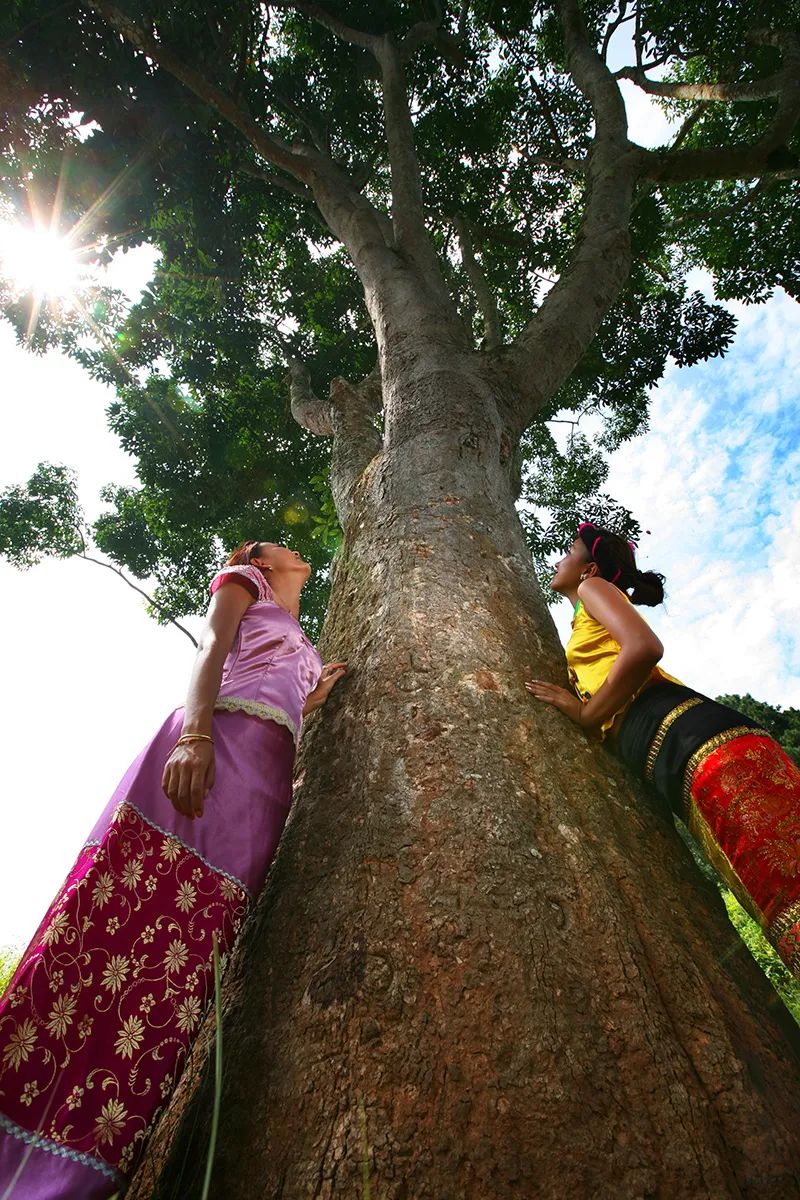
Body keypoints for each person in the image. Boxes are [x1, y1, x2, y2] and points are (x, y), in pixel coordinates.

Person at [0, 540, 346, 1198]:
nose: (290, 545)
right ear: (262, 561)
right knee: (111, 924)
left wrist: (317, 693)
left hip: (266, 784)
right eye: (273, 543)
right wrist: (195, 733)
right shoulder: (243, 580)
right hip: (213, 749)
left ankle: (81, 1161)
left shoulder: (304, 640)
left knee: (180, 958)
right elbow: (211, 651)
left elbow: (289, 702)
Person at [525, 521, 800, 977]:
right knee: (766, 883)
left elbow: (645, 647)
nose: (557, 560)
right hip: (675, 752)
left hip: (694, 740)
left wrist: (585, 715)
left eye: (568, 551)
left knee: (781, 871)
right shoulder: (580, 621)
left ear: (590, 567)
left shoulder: (595, 587)